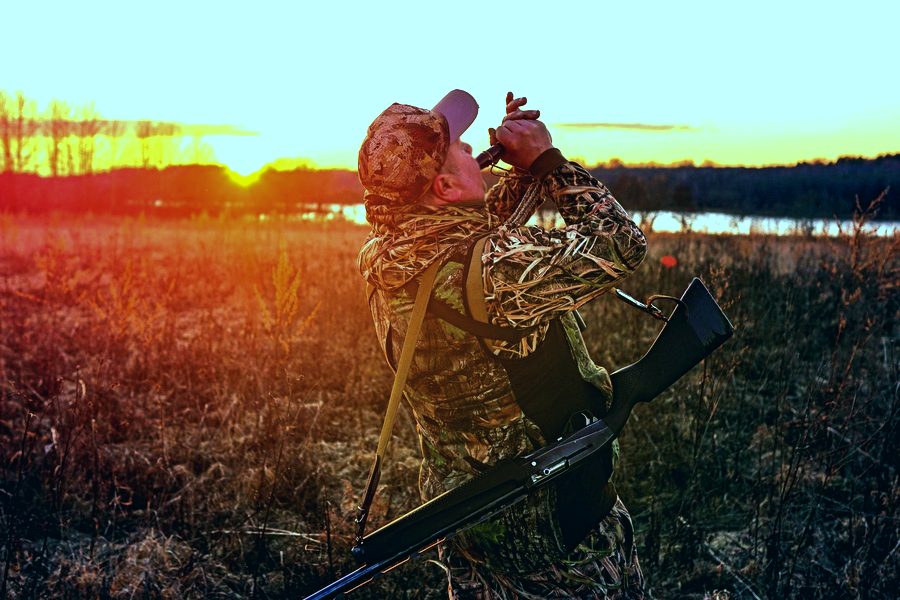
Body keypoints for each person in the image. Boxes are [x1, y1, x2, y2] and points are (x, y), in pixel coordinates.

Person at [357, 89, 648, 599]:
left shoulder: (390, 260)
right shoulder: (494, 273)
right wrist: (550, 163)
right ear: (445, 185)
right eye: (463, 150)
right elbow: (621, 242)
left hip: (473, 526)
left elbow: (473, 239)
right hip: (557, 539)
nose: (474, 151)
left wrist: (519, 172)